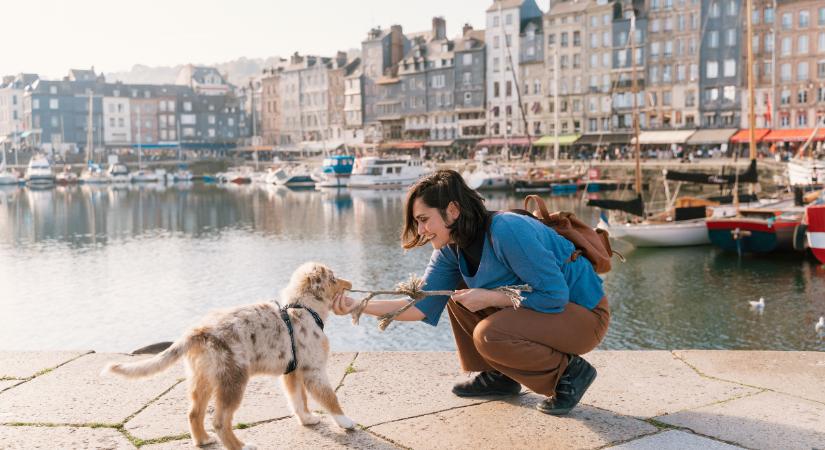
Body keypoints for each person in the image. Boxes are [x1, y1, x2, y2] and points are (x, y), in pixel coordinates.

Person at [332, 170, 610, 415]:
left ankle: (569, 374)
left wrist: (491, 297)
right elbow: (419, 307)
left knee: (489, 334)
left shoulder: (508, 230)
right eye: (417, 222)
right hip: (550, 316)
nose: (421, 230)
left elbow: (554, 295)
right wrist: (358, 305)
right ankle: (498, 376)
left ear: (453, 210)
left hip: (584, 317)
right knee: (458, 297)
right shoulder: (450, 248)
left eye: (424, 219)